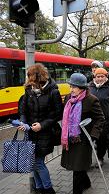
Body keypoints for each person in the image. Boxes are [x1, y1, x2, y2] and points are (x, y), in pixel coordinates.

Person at [18, 63, 63, 194]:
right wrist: (23, 122)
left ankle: (48, 189)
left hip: (46, 133)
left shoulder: (53, 91)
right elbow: (22, 109)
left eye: (32, 79)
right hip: (30, 132)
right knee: (33, 162)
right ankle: (39, 188)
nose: (30, 83)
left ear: (39, 78)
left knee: (37, 162)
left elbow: (57, 114)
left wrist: (42, 125)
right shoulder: (28, 90)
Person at [60, 73, 106, 194]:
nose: (71, 89)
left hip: (84, 139)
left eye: (73, 87)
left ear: (81, 88)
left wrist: (93, 136)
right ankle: (86, 183)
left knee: (77, 167)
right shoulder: (69, 97)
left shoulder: (91, 100)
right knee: (78, 165)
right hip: (71, 137)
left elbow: (100, 119)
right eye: (70, 86)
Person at [89, 68, 109, 166]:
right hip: (90, 120)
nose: (100, 78)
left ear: (106, 77)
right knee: (89, 140)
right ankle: (87, 160)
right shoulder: (89, 87)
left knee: (101, 140)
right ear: (95, 77)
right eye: (98, 76)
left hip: (104, 120)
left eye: (102, 76)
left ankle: (100, 157)